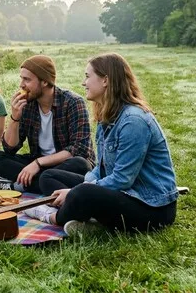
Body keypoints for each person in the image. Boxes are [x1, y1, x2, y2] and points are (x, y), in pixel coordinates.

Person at [26, 53, 179, 235]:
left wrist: (75, 191)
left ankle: (52, 217)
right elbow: (102, 168)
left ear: (105, 80)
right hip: (124, 193)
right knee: (49, 177)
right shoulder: (107, 117)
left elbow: (122, 179)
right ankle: (92, 218)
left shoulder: (133, 121)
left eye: (87, 76)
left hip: (152, 208)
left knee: (82, 193)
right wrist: (83, 184)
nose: (84, 83)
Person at [0, 55, 94, 193]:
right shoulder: (27, 104)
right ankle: (41, 182)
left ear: (45, 82)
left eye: (27, 79)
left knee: (80, 163)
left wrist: (38, 163)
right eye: (21, 78)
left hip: (65, 165)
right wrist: (15, 117)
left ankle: (18, 185)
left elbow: (79, 150)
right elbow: (10, 149)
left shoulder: (73, 102)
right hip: (39, 163)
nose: (21, 85)